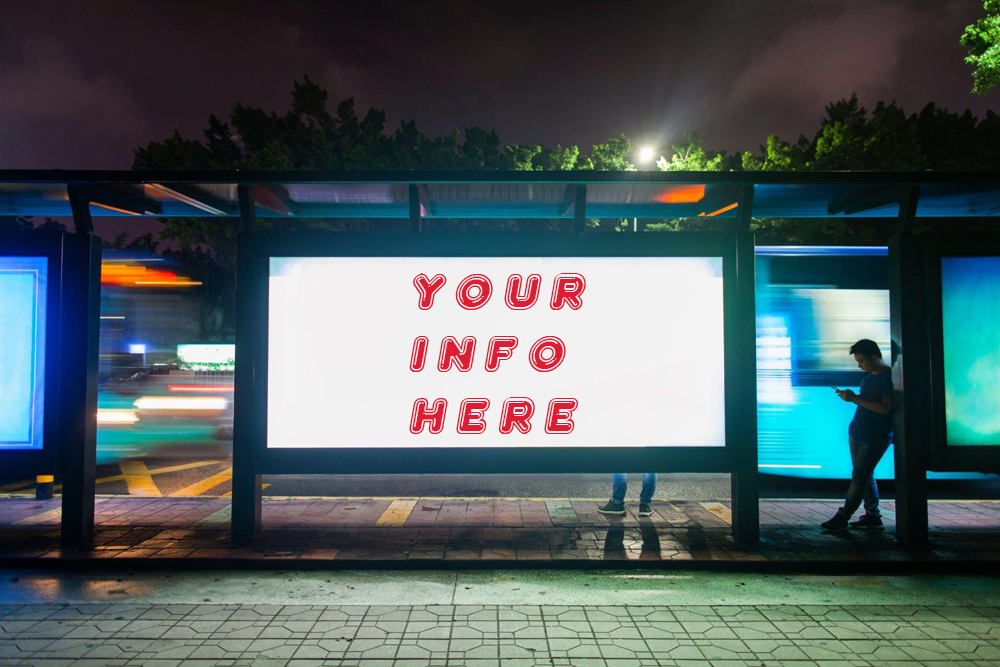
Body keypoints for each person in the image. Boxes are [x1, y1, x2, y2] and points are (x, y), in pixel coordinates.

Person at [821, 339, 894, 533]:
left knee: (859, 475)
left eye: (861, 360)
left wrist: (854, 398)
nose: (859, 365)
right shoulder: (868, 375)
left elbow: (886, 408)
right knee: (864, 474)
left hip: (875, 436)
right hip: (857, 431)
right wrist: (852, 398)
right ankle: (872, 515)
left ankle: (843, 516)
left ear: (874, 357)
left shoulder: (889, 378)